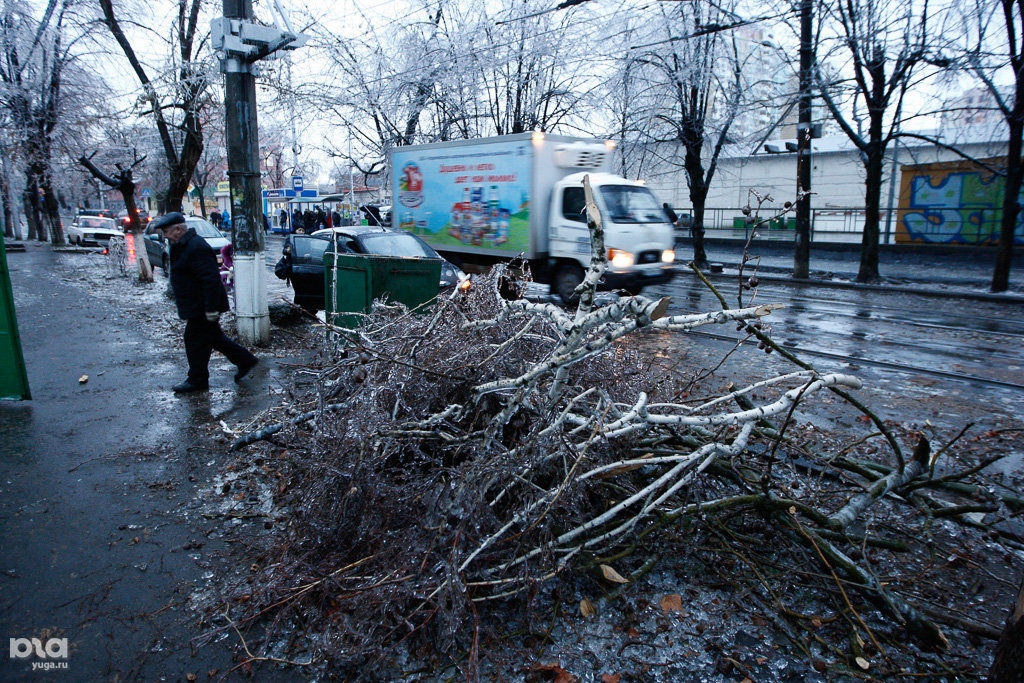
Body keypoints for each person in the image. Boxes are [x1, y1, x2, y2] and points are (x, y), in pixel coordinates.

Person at [151, 212, 257, 393]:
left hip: (203, 307)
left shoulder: (196, 247)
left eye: (167, 231)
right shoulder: (181, 245)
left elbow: (210, 280)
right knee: (213, 338)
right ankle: (244, 361)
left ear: (178, 229)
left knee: (194, 340)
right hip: (196, 305)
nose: (165, 236)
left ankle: (197, 380)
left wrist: (211, 309)